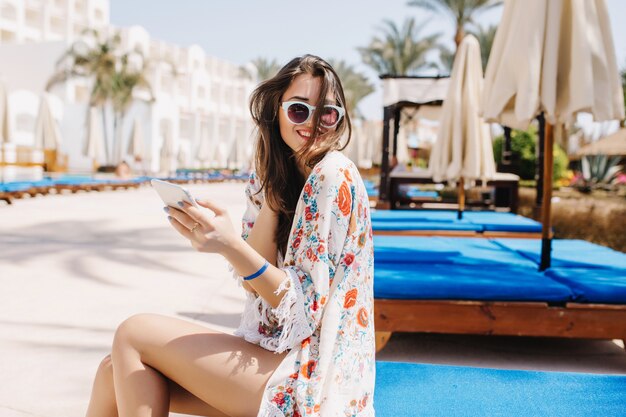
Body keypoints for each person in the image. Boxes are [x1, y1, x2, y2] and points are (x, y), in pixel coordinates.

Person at [85, 54, 375, 417]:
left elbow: (303, 310)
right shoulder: (275, 176)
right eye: (300, 110)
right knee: (111, 372)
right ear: (277, 110)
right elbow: (255, 288)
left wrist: (229, 245)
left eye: (328, 113)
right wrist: (270, 202)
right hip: (280, 357)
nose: (313, 123)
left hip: (316, 376)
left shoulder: (333, 176)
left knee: (133, 332)